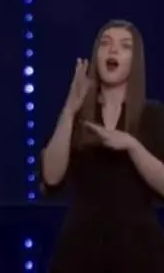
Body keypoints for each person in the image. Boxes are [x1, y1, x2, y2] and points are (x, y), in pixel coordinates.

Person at [40, 20, 164, 272]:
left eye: (124, 46)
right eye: (105, 43)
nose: (113, 50)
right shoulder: (77, 116)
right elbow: (51, 177)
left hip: (138, 250)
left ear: (135, 61)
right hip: (80, 248)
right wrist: (70, 109)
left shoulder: (152, 115)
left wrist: (132, 146)